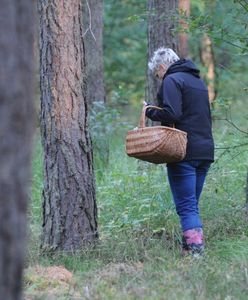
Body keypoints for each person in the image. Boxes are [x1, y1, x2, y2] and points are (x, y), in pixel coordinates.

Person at [145, 47, 214, 257]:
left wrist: (149, 110)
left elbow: (172, 114)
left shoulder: (172, 80)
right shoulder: (197, 82)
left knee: (186, 207)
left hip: (183, 151)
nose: (159, 78)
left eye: (157, 74)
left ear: (162, 67)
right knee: (191, 204)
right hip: (205, 151)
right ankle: (188, 248)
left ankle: (196, 253)